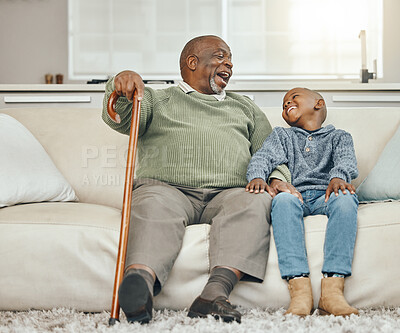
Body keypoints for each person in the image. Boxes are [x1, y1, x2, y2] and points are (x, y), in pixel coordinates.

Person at [102, 35, 296, 324]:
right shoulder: (156, 99)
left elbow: (271, 152)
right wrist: (120, 83)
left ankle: (213, 294)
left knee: (255, 202)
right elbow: (120, 115)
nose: (228, 63)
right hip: (167, 187)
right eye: (220, 56)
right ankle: (139, 284)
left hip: (230, 192)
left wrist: (278, 178)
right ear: (193, 62)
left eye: (230, 58)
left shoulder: (244, 106)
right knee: (153, 206)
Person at [246, 87, 359, 317]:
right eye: (283, 104)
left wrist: (338, 177)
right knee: (282, 202)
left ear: (318, 103)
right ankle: (300, 292)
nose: (287, 103)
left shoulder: (339, 136)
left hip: (325, 194)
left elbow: (346, 159)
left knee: (346, 199)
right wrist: (257, 176)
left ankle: (333, 291)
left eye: (293, 98)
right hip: (294, 193)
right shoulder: (282, 135)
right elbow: (263, 157)